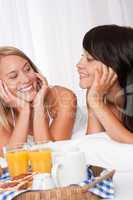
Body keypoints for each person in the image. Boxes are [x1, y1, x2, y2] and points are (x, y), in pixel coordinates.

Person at [0, 46, 77, 155]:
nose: (26, 79)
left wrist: (38, 104)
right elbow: (12, 161)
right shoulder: (2, 118)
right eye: (13, 76)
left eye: (27, 69)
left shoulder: (63, 97)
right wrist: (24, 111)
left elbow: (51, 156)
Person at [76, 24, 133, 143]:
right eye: (82, 57)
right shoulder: (95, 94)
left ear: (114, 64)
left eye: (89, 59)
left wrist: (96, 102)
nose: (79, 65)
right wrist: (95, 101)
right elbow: (93, 147)